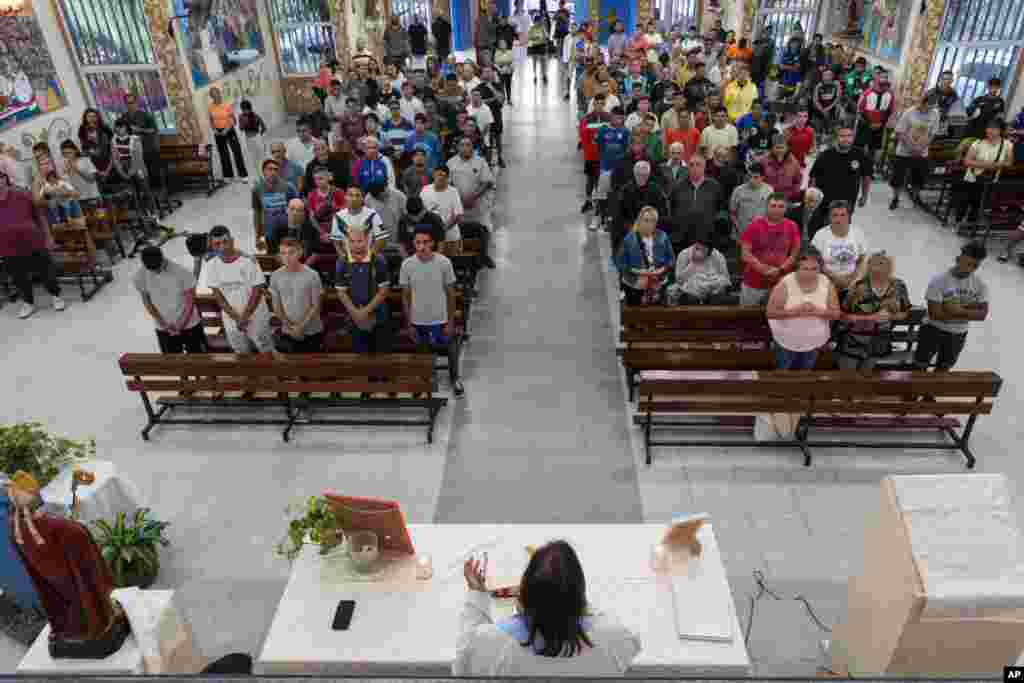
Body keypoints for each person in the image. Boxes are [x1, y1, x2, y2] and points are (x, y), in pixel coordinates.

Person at [454, 540, 640, 676]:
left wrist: (477, 593)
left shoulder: (493, 644)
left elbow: (462, 665)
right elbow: (630, 639)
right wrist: (568, 599)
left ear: (525, 595)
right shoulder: (614, 639)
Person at [400, 226, 464, 396]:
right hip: (418, 321)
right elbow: (406, 297)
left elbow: (451, 294)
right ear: (413, 244)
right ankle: (424, 379)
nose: (421, 246)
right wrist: (409, 324)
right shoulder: (407, 265)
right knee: (423, 351)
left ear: (433, 243)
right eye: (418, 242)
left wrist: (450, 321)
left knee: (450, 347)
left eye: (426, 242)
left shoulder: (444, 263)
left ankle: (454, 378)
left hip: (440, 319)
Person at [913, 241, 989, 372]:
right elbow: (934, 314)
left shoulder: (980, 285)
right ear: (958, 259)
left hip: (958, 335)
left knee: (944, 368)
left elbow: (982, 314)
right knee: (920, 366)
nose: (969, 269)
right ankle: (912, 392)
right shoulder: (939, 281)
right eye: (966, 263)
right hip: (932, 330)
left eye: (974, 266)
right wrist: (969, 311)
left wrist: (956, 310)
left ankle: (930, 392)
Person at [0, 170, 65, 319]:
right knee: (17, 275)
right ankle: (28, 302)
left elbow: (40, 216)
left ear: (4, 179)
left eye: (0, 178)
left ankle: (56, 296)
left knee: (45, 269)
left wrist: (48, 236)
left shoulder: (22, 195)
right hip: (7, 245)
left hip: (32, 239)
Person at [766, 245, 840, 369]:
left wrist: (817, 311)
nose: (810, 273)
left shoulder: (826, 282)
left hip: (814, 341)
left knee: (805, 375)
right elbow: (770, 313)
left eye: (814, 269)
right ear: (797, 268)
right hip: (786, 340)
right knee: (783, 375)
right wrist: (795, 311)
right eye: (805, 269)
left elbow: (836, 314)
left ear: (820, 268)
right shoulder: (785, 283)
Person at [204, 226, 274, 353]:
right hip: (232, 320)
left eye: (225, 241)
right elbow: (219, 297)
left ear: (232, 240)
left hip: (256, 316)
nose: (222, 247)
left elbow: (257, 292)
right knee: (241, 353)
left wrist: (244, 317)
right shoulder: (211, 266)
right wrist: (237, 318)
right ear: (213, 246)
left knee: (266, 351)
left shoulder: (249, 260)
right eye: (217, 244)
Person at [837, 251, 911, 369]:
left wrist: (891, 316)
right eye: (875, 264)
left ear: (890, 267)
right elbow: (843, 314)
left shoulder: (899, 286)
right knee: (847, 375)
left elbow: (905, 312)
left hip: (879, 341)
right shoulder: (858, 286)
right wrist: (869, 317)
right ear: (869, 265)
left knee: (867, 375)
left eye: (884, 264)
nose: (879, 268)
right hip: (854, 340)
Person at [135, 245, 206, 354]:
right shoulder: (140, 276)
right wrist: (163, 324)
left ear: (163, 258)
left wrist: (181, 323)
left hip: (190, 324)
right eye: (153, 270)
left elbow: (190, 301)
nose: (157, 272)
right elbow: (147, 303)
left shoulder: (181, 271)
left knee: (198, 359)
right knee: (172, 362)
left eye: (159, 268)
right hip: (163, 327)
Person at [335, 224, 392, 352]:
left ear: (367, 240)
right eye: (352, 241)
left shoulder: (378, 260)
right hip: (354, 316)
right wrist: (356, 313)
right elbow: (341, 292)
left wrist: (365, 311)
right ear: (346, 242)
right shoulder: (342, 262)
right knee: (359, 356)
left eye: (360, 241)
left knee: (381, 355)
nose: (356, 245)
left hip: (378, 316)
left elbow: (383, 291)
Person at [808, 125, 873, 236]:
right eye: (842, 136)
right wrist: (812, 197)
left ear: (853, 138)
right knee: (823, 230)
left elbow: (866, 177)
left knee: (843, 230)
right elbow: (813, 177)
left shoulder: (860, 155)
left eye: (849, 136)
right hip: (825, 202)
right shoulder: (826, 155)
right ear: (836, 138)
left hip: (848, 201)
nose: (846, 139)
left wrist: (864, 196)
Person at [739, 192, 801, 306]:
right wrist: (763, 269)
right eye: (773, 206)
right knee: (747, 321)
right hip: (753, 283)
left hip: (780, 282)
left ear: (786, 208)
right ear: (766, 207)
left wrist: (781, 269)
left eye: (780, 206)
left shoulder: (792, 226)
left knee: (777, 321)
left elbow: (795, 254)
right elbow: (745, 254)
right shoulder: (754, 225)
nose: (777, 209)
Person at [951, 118, 1012, 229]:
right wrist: (988, 165)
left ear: (1001, 131)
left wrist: (994, 165)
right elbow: (967, 161)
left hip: (990, 179)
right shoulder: (978, 143)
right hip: (972, 178)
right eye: (989, 128)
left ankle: (970, 225)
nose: (990, 131)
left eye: (994, 128)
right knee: (965, 201)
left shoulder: (1007, 144)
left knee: (979, 204)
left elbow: (1009, 162)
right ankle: (958, 222)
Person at [270, 238, 324, 353]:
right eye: (283, 253)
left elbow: (316, 306)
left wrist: (300, 327)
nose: (287, 257)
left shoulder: (312, 275)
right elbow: (276, 307)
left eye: (291, 252)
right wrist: (291, 327)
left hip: (312, 331)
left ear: (300, 253)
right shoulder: (275, 276)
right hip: (288, 331)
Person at [810, 200, 869, 299]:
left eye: (843, 215)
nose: (839, 219)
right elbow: (814, 260)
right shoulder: (820, 234)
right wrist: (834, 277)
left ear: (849, 216)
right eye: (835, 215)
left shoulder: (858, 232)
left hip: (853, 281)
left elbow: (863, 259)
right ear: (829, 217)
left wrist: (852, 278)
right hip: (826, 281)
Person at [889, 94, 938, 210]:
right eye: (928, 106)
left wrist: (922, 148)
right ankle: (895, 198)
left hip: (921, 152)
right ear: (922, 103)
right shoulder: (909, 112)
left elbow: (932, 134)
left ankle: (915, 198)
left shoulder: (935, 114)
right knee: (898, 178)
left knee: (918, 178)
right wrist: (911, 147)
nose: (930, 109)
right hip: (904, 151)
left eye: (932, 107)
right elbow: (900, 132)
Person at [668, 151, 721, 252]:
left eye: (698, 165)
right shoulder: (678, 186)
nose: (694, 168)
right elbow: (672, 208)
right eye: (691, 165)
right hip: (682, 239)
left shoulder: (714, 186)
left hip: (706, 238)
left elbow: (719, 207)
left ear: (704, 167)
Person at [612, 160, 670, 249]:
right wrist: (633, 228)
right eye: (639, 174)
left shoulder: (656, 190)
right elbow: (618, 216)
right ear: (634, 174)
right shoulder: (625, 191)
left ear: (648, 175)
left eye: (644, 175)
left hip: (652, 232)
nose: (642, 177)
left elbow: (663, 213)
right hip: (630, 232)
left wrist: (651, 228)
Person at [666, 232, 732, 304]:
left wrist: (714, 285)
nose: (706, 254)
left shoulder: (717, 255)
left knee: (719, 294)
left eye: (708, 251)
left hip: (713, 291)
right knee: (688, 296)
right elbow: (679, 281)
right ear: (696, 246)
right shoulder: (684, 254)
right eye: (702, 249)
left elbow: (726, 279)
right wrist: (693, 264)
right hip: (691, 292)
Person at [253, 159, 300, 254]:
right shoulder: (257, 189)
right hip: (270, 233)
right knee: (274, 260)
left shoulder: (288, 187)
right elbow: (257, 213)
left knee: (291, 257)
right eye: (270, 169)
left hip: (288, 231)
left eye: (276, 169)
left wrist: (298, 231)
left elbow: (299, 208)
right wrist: (257, 237)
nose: (273, 172)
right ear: (264, 171)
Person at [208, 87, 248, 182]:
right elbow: (211, 120)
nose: (216, 96)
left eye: (217, 94)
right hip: (218, 132)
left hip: (229, 130)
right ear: (211, 97)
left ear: (220, 94)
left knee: (236, 151)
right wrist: (214, 130)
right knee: (223, 154)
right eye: (213, 95)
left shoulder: (226, 105)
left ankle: (243, 175)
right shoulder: (210, 107)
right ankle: (228, 175)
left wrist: (227, 129)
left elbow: (233, 120)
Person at [330, 185, 387, 250]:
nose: (354, 199)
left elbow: (381, 238)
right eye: (350, 195)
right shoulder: (338, 216)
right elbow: (336, 242)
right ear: (345, 197)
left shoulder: (373, 214)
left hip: (368, 254)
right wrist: (342, 255)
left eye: (357, 195)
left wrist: (372, 254)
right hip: (347, 255)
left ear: (362, 198)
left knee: (381, 259)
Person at [121, 94, 160, 183]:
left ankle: (156, 189)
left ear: (136, 103)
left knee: (152, 171)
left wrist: (140, 130)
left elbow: (154, 130)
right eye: (128, 103)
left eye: (132, 102)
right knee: (138, 173)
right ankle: (145, 191)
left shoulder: (145, 115)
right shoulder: (124, 117)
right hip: (132, 150)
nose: (130, 105)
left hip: (146, 148)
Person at [420, 165, 464, 241]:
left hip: (450, 237)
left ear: (447, 178)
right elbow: (421, 210)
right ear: (433, 175)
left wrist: (444, 229)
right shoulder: (425, 189)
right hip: (430, 236)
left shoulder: (453, 191)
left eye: (444, 176)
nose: (441, 178)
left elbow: (458, 215)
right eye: (438, 175)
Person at [730, 161, 772, 239]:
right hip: (740, 235)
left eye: (756, 177)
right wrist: (738, 228)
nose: (751, 180)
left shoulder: (769, 191)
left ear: (763, 177)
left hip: (761, 234)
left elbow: (771, 214)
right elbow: (732, 213)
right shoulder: (738, 190)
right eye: (749, 176)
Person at [77, 108, 115, 185]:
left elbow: (113, 147)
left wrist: (110, 166)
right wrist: (90, 152)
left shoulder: (105, 128)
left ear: (98, 117)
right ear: (85, 118)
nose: (92, 119)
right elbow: (84, 151)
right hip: (96, 168)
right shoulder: (82, 131)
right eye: (89, 116)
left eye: (94, 116)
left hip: (111, 164)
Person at [761, 135, 802, 204]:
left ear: (787, 148)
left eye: (782, 147)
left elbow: (797, 180)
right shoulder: (764, 161)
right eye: (777, 147)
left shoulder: (794, 162)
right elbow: (760, 179)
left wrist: (793, 193)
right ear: (772, 148)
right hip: (768, 198)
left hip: (786, 199)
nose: (779, 150)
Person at [238, 100, 268, 176]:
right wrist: (244, 123)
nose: (244, 111)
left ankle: (266, 171)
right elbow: (241, 128)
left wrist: (259, 136)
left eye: (246, 109)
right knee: (254, 158)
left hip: (257, 138)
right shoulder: (241, 117)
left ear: (250, 108)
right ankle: (259, 174)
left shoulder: (255, 115)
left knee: (262, 156)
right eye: (243, 109)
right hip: (248, 140)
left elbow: (264, 127)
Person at [527, 14, 549, 85]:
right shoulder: (531, 28)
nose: (538, 23)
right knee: (534, 62)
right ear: (534, 21)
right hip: (534, 46)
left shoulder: (542, 27)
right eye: (536, 21)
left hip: (542, 46)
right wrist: (535, 38)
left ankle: (544, 75)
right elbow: (529, 37)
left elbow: (546, 36)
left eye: (539, 21)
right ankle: (535, 76)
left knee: (543, 62)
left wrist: (544, 35)